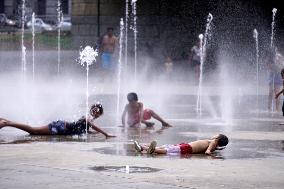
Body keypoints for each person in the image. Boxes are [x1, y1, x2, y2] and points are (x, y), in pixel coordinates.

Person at [0, 103, 115, 138]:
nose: (97, 114)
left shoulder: (90, 118)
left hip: (61, 127)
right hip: (60, 127)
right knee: (33, 131)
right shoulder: (89, 118)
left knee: (33, 131)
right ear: (96, 111)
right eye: (96, 112)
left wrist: (91, 133)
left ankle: (7, 121)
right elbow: (87, 123)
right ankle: (6, 123)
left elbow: (80, 128)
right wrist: (105, 134)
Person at [134, 134, 229, 155]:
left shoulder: (213, 142)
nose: (214, 135)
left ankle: (151, 149)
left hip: (187, 148)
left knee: (167, 150)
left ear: (218, 138)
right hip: (186, 146)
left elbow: (207, 152)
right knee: (167, 147)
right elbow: (208, 149)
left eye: (216, 135)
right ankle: (142, 148)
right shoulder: (213, 145)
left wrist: (213, 156)